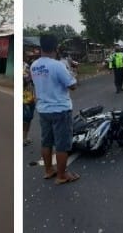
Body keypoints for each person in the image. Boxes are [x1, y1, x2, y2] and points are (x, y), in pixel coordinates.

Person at [30, 35, 79, 185]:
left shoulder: (34, 65)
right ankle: (62, 175)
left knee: (46, 142)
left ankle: (48, 170)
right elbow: (72, 85)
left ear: (41, 48)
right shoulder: (58, 66)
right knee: (62, 145)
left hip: (43, 110)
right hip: (60, 110)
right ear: (56, 48)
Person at [23, 60, 36, 146]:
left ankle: (25, 138)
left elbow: (33, 82)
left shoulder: (27, 65)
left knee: (29, 119)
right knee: (24, 120)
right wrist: (30, 77)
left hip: (31, 98)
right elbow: (24, 81)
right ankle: (22, 138)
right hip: (24, 100)